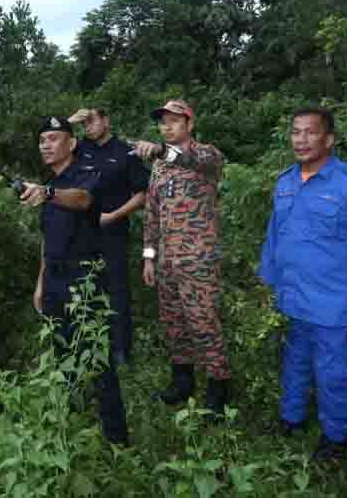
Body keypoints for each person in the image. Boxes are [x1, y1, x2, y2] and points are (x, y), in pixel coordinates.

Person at [257, 107, 347, 462]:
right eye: (296, 132)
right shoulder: (285, 182)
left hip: (335, 303)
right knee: (295, 363)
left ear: (328, 139)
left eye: (310, 132)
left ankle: (335, 438)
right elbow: (275, 236)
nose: (301, 140)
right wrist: (269, 282)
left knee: (334, 374)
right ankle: (291, 419)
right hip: (294, 298)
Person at [22, 116, 128, 446]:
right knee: (63, 356)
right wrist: (40, 284)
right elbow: (47, 239)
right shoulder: (48, 186)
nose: (46, 145)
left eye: (53, 138)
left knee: (99, 362)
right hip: (53, 282)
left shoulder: (84, 174)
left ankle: (117, 442)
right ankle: (71, 428)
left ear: (71, 144)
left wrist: (48, 192)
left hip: (84, 283)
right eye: (42, 140)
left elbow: (83, 200)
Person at [132, 99, 231, 416]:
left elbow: (190, 158)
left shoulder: (207, 156)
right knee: (174, 325)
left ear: (190, 124)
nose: (167, 127)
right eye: (163, 122)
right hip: (167, 262)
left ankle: (218, 392)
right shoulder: (159, 168)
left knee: (204, 324)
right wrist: (149, 257)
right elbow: (152, 214)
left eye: (174, 121)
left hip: (198, 261)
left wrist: (160, 150)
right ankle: (182, 382)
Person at [68, 107, 149, 364]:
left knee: (116, 290)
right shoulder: (79, 149)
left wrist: (114, 215)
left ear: (106, 120)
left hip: (113, 231)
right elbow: (55, 147)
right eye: (84, 123)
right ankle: (88, 346)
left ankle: (121, 350)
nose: (88, 126)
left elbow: (142, 194)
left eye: (91, 120)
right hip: (82, 231)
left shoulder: (126, 152)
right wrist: (70, 122)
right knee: (84, 286)